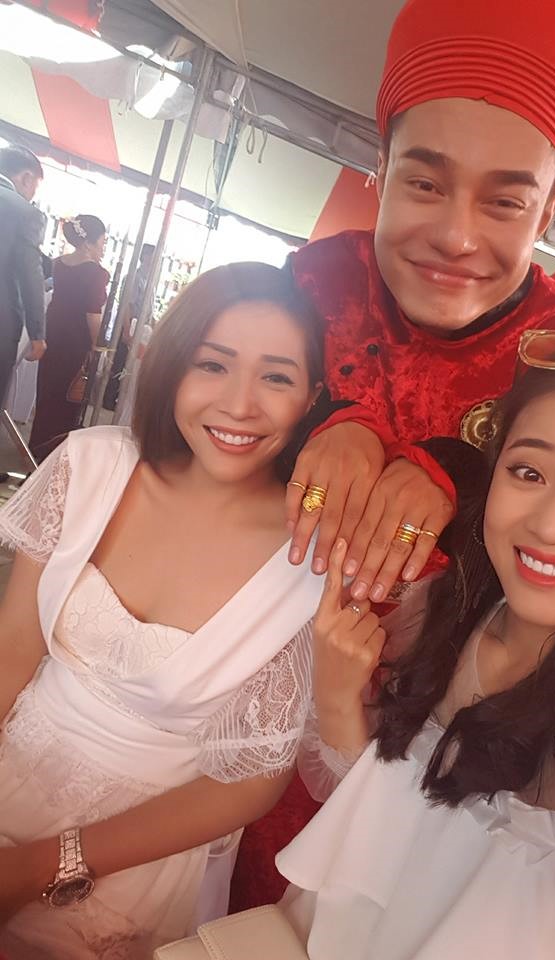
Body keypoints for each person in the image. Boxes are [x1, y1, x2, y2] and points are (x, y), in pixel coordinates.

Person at [239, 0, 555, 908]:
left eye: (506, 201)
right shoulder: (315, 282)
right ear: (379, 169)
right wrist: (337, 417)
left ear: (551, 208)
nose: (455, 236)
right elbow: (218, 431)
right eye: (424, 183)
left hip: (422, 766)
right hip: (235, 687)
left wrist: (463, 468)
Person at [274, 321, 555, 959]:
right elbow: (374, 818)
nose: (552, 524)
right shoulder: (443, 610)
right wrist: (338, 695)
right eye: (529, 472)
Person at [0, 262, 369, 958]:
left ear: (313, 399)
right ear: (173, 368)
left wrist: (43, 865)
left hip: (133, 856)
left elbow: (248, 785)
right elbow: (13, 649)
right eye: (213, 365)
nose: (239, 405)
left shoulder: (314, 564)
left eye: (277, 378)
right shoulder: (90, 466)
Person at [29, 215, 110, 461]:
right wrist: (98, 346)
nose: (103, 248)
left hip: (52, 334)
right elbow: (92, 314)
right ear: (88, 243)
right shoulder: (97, 273)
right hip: (76, 342)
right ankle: (54, 455)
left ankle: (36, 448)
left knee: (47, 393)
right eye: (102, 242)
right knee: (69, 398)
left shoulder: (59, 264)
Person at [0, 144, 46, 406]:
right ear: (26, 178)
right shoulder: (25, 213)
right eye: (34, 189)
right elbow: (31, 274)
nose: (30, 196)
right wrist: (37, 333)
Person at [103, 243, 157, 412]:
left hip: (141, 328)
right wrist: (126, 330)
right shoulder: (134, 277)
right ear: (146, 257)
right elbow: (126, 305)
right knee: (120, 362)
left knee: (130, 364)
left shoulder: (150, 280)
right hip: (130, 325)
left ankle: (118, 397)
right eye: (154, 256)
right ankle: (108, 399)